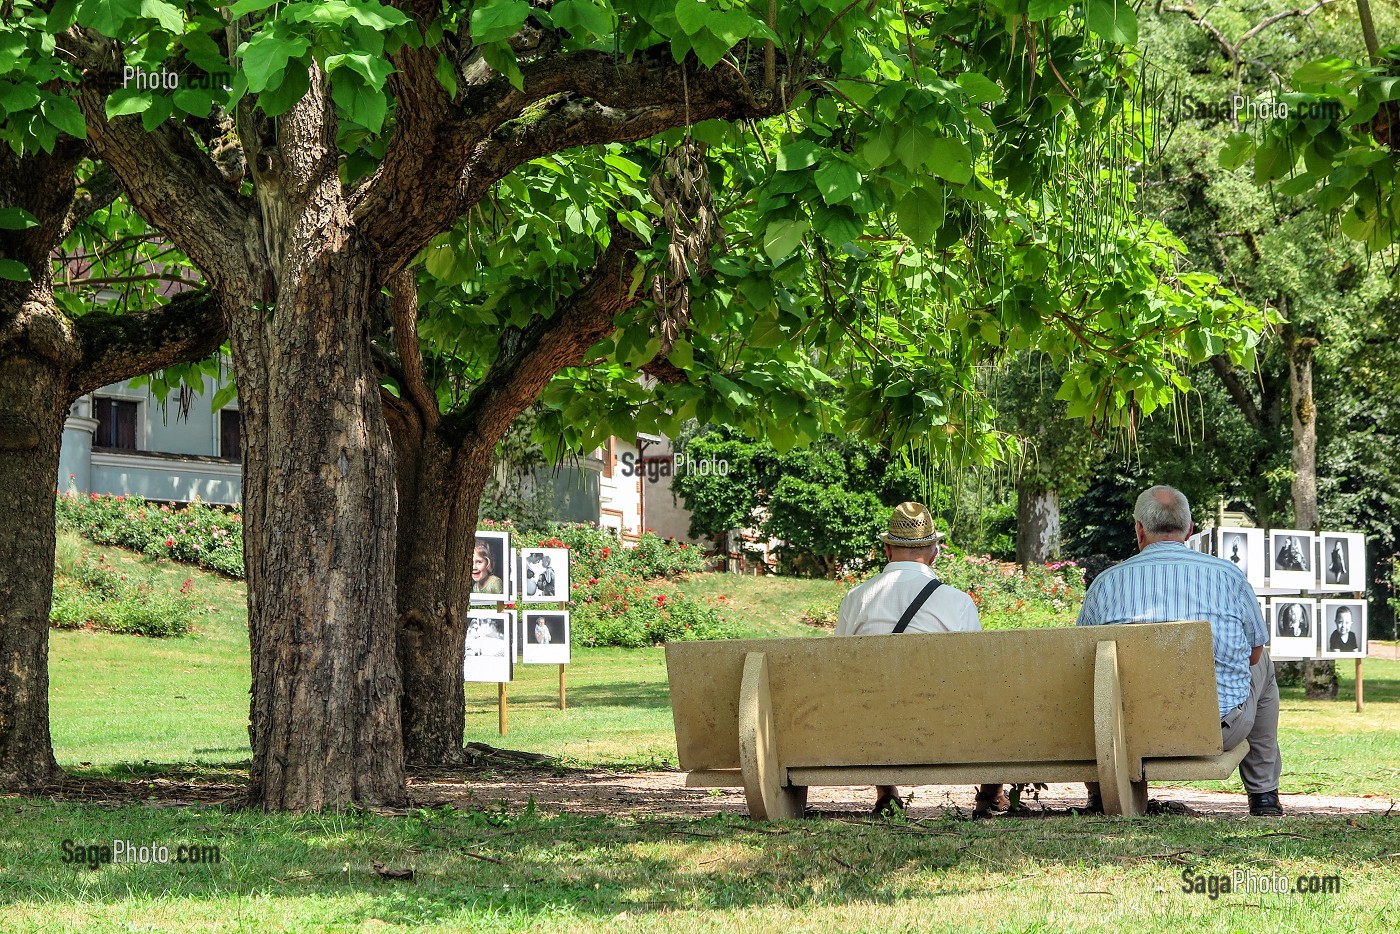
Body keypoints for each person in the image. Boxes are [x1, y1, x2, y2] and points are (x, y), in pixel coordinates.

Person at [1077, 487, 1282, 817]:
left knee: (1099, 684)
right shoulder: (1227, 576)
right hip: (1217, 727)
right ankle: (1264, 796)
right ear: (1189, 530)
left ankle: (1102, 793)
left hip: (1127, 730)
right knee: (1263, 665)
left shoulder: (1106, 583)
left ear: (1139, 529)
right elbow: (1254, 654)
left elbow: (1085, 665)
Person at [836, 501, 1007, 817]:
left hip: (872, 730)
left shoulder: (855, 599)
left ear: (887, 549)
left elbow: (841, 672)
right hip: (945, 728)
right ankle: (991, 793)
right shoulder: (958, 603)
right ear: (934, 551)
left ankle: (886, 791)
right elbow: (977, 678)